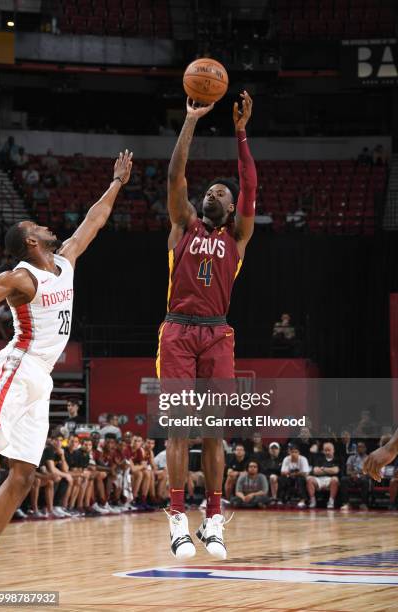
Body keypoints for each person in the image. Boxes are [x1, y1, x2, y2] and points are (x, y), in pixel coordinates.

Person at [0, 149, 133, 552]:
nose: (46, 225)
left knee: (22, 475)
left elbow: (94, 220)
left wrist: (117, 182)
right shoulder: (20, 277)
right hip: (18, 366)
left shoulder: (65, 260)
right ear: (31, 241)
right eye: (36, 224)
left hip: (42, 379)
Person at [158, 91, 256, 560]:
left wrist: (240, 134)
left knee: (214, 430)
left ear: (234, 206)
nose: (213, 192)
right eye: (210, 191)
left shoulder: (238, 236)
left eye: (223, 192)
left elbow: (250, 185)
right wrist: (191, 121)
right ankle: (177, 518)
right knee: (179, 427)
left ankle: (213, 518)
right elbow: (176, 174)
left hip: (217, 332)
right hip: (177, 330)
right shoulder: (183, 224)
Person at [306, 441, 340, 509]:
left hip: (330, 479)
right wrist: (329, 470)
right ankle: (313, 501)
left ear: (333, 450)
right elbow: (315, 471)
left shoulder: (337, 459)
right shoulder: (319, 458)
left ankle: (331, 501)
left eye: (329, 450)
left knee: (335, 480)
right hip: (319, 479)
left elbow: (336, 470)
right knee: (309, 479)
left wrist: (323, 469)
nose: (327, 452)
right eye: (325, 450)